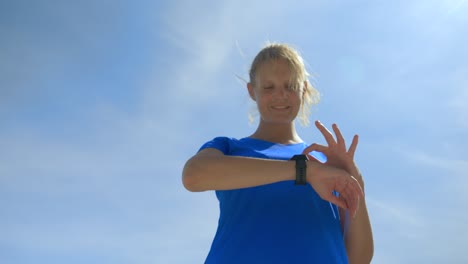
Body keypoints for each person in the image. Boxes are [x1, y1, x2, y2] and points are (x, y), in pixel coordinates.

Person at [182, 43, 373, 264]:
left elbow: (358, 259)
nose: (280, 95)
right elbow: (193, 176)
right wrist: (303, 171)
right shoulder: (228, 148)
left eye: (290, 86)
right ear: (252, 91)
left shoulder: (325, 164)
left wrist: (355, 181)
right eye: (269, 87)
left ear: (304, 89)